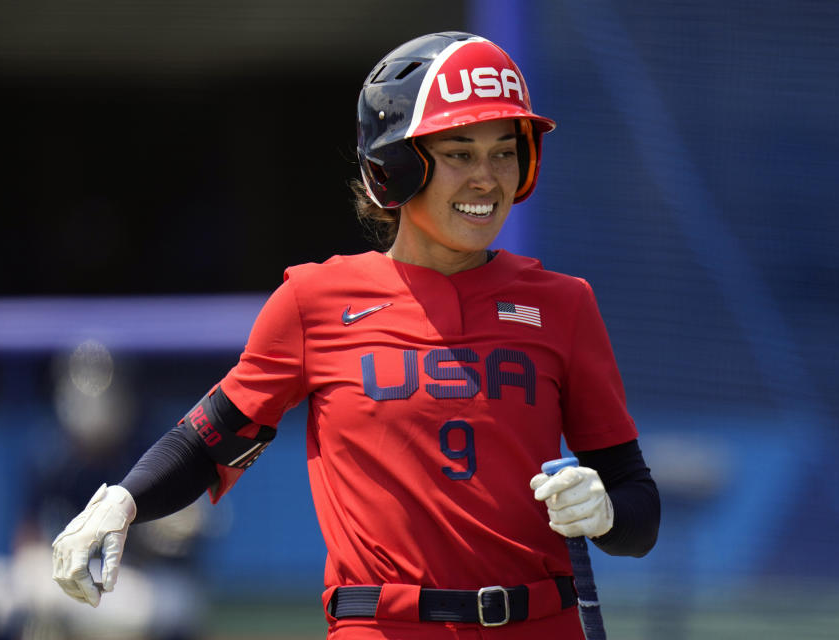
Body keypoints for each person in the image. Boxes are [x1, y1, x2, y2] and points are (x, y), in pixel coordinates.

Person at [51, 31, 660, 639]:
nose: (487, 178)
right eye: (459, 152)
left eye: (504, 151)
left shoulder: (564, 304)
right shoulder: (313, 302)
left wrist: (605, 511)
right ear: (393, 167)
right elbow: (210, 441)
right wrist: (122, 501)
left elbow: (640, 508)